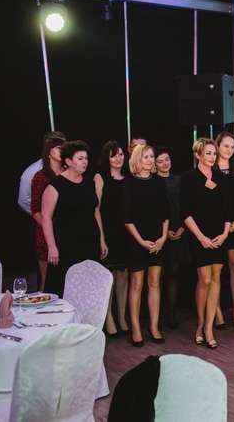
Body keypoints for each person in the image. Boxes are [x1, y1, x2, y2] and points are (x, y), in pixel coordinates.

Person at [181, 138, 232, 349]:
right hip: (198, 236)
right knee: (204, 279)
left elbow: (228, 211)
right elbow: (185, 213)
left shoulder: (222, 178)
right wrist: (201, 237)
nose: (212, 157)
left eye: (214, 153)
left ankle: (209, 328)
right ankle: (200, 324)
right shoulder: (189, 178)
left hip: (219, 236)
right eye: (208, 153)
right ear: (198, 155)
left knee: (216, 278)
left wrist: (225, 234)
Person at [41, 140, 108, 295]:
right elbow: (46, 217)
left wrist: (101, 239)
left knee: (89, 288)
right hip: (66, 246)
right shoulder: (55, 186)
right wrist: (52, 246)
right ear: (68, 161)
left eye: (86, 158)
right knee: (65, 287)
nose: (85, 162)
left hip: (89, 243)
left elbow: (95, 212)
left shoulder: (89, 183)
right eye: (80, 158)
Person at [123, 144, 169, 347]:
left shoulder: (159, 182)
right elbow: (126, 218)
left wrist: (163, 237)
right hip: (136, 240)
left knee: (155, 282)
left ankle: (154, 326)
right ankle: (135, 328)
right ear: (137, 160)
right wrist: (141, 241)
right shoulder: (129, 184)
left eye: (151, 156)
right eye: (146, 157)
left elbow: (166, 213)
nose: (150, 160)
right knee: (136, 284)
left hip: (157, 239)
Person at [95, 141, 130, 337]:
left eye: (121, 154)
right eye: (114, 155)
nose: (119, 158)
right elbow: (96, 210)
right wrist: (101, 238)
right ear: (107, 158)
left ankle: (122, 317)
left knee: (123, 276)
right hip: (107, 232)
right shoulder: (100, 177)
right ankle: (108, 317)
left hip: (126, 233)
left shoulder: (128, 178)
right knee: (108, 278)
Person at [154, 147, 187, 329]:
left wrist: (182, 227)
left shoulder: (179, 180)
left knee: (174, 273)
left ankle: (172, 313)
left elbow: (187, 206)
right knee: (158, 276)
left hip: (180, 230)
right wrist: (164, 232)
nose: (165, 163)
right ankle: (157, 316)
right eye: (160, 161)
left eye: (167, 159)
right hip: (159, 234)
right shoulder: (152, 182)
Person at [216, 131, 234, 328]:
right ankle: (217, 311)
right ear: (217, 146)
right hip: (215, 227)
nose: (229, 150)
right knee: (216, 270)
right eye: (226, 145)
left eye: (232, 147)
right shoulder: (209, 168)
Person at [31, 133, 65, 291]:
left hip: (67, 233)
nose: (62, 151)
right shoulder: (40, 177)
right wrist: (50, 228)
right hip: (46, 235)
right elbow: (36, 211)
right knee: (47, 280)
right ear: (49, 152)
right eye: (59, 148)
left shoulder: (68, 172)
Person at [19, 131, 66, 215]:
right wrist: (42, 217)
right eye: (58, 147)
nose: (63, 150)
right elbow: (24, 201)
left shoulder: (69, 166)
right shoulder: (32, 172)